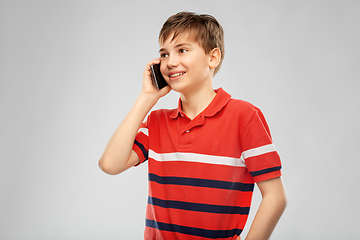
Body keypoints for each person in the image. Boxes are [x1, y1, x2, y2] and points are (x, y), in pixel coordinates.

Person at [99, 11, 287, 240]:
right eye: (164, 54)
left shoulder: (244, 117)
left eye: (182, 50)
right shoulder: (157, 122)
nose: (171, 62)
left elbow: (275, 197)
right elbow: (110, 164)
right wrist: (146, 98)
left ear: (213, 58)